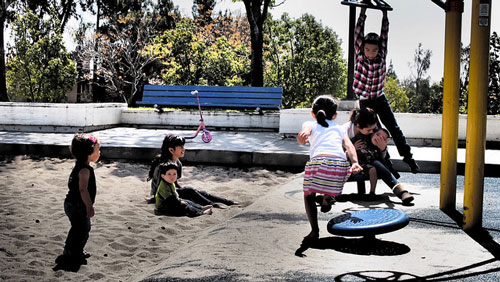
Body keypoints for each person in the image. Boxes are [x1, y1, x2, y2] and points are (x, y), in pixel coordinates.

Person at [353, 7, 419, 174]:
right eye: (367, 49)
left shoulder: (381, 55)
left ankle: (409, 159)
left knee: (394, 129)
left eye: (374, 50)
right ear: (363, 49)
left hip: (380, 99)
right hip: (366, 101)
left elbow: (384, 35)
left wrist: (384, 15)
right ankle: (388, 167)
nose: (370, 53)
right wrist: (362, 12)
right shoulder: (359, 56)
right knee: (376, 135)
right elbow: (358, 33)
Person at [297, 95, 363, 242]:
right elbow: (349, 146)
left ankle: (314, 231)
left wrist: (302, 138)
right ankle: (327, 197)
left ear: (312, 113)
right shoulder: (339, 128)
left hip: (318, 164)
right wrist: (355, 163)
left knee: (309, 195)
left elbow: (304, 134)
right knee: (330, 178)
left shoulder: (310, 124)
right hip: (340, 166)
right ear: (335, 116)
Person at [148, 134, 239, 208]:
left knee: (200, 193)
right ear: (171, 150)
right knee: (190, 190)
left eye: (183, 146)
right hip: (163, 195)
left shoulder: (177, 163)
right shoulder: (164, 165)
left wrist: (184, 190)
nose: (184, 149)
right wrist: (184, 192)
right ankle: (213, 205)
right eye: (180, 147)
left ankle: (228, 202)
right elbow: (163, 188)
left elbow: (174, 182)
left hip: (171, 191)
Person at [345, 108, 414, 205]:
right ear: (358, 126)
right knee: (374, 163)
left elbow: (379, 156)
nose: (372, 132)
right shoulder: (345, 131)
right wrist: (350, 149)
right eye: (369, 130)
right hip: (348, 163)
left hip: (368, 161)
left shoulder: (371, 129)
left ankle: (401, 192)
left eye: (374, 129)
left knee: (376, 163)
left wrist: (382, 149)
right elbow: (337, 155)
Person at [54, 133, 101, 272]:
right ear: (88, 153)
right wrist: (89, 207)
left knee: (78, 228)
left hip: (71, 204)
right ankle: (72, 253)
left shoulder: (80, 165)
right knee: (82, 229)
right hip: (77, 205)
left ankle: (73, 250)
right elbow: (83, 190)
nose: (100, 152)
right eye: (98, 150)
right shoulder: (85, 170)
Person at [351, 127, 391, 196]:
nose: (377, 138)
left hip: (367, 166)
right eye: (377, 134)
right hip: (353, 164)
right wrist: (352, 148)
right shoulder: (360, 140)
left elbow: (382, 162)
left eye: (382, 139)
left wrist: (382, 149)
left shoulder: (379, 148)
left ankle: (372, 193)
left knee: (372, 169)